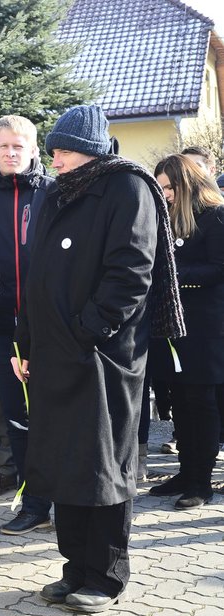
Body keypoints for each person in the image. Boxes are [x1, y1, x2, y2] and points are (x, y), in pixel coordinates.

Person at [13, 105, 184, 612]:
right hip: (52, 354)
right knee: (65, 465)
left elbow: (132, 272)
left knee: (103, 467)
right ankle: (74, 569)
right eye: (53, 151)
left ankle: (106, 577)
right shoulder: (55, 192)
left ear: (88, 147)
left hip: (104, 357)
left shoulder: (127, 188)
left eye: (62, 150)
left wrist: (89, 331)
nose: (54, 159)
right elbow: (36, 273)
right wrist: (24, 341)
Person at [0, 115, 55, 532]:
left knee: (55, 412)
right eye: (4, 147)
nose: (11, 153)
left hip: (52, 328)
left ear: (34, 149)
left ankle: (67, 497)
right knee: (15, 414)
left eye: (19, 146)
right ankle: (33, 503)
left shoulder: (57, 195)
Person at [148, 154, 224, 509]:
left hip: (206, 328)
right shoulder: (171, 219)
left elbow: (217, 269)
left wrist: (173, 272)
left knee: (200, 403)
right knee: (180, 400)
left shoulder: (216, 217)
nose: (165, 194)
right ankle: (185, 472)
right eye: (161, 188)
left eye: (169, 187)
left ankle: (201, 480)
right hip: (174, 326)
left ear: (188, 183)